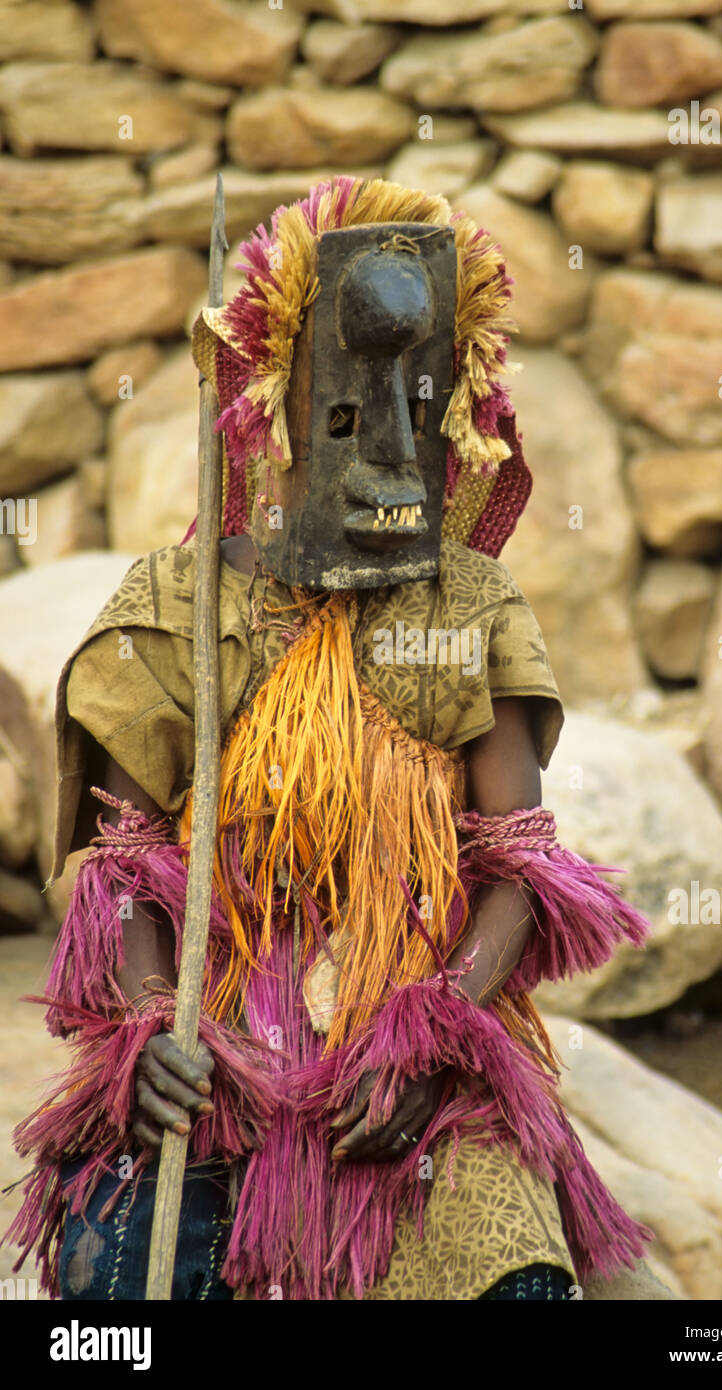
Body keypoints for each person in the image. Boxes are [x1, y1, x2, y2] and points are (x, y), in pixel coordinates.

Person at [7, 176, 653, 1301]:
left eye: (422, 402)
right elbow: (121, 871)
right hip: (226, 1067)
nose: (391, 444)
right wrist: (154, 1026)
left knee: (517, 1290)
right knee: (116, 1286)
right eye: (352, 410)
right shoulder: (176, 612)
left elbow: (516, 864)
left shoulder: (469, 609)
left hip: (411, 1074)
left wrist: (436, 1029)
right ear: (276, 404)